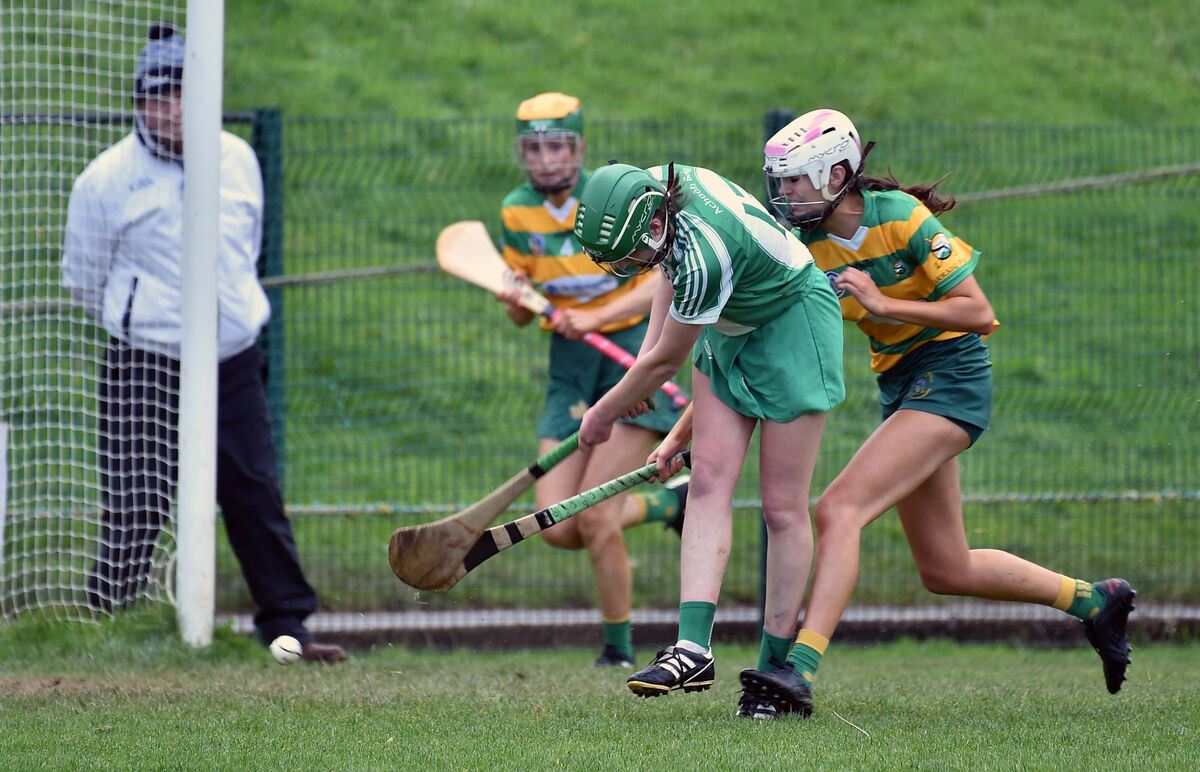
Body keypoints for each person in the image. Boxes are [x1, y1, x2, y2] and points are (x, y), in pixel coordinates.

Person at [739, 108, 1136, 717]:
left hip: (952, 375)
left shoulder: (899, 219)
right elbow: (757, 337)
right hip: (901, 385)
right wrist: (696, 428)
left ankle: (798, 672)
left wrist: (881, 301)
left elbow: (979, 313)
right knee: (946, 567)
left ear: (836, 173)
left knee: (837, 509)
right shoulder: (803, 248)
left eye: (793, 180)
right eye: (779, 181)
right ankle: (1095, 601)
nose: (782, 194)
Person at [60, 23, 346, 664]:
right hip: (146, 363)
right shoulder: (104, 181)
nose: (169, 110)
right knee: (137, 500)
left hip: (234, 362)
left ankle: (287, 630)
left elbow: (246, 249)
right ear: (138, 103)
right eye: (155, 97)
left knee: (255, 495)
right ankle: (109, 629)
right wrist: (150, 320)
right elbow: (83, 280)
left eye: (181, 94)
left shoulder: (238, 159)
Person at [574, 161, 846, 719]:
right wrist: (642, 364)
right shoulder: (653, 195)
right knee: (706, 483)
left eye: (626, 256)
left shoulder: (704, 251)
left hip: (792, 321)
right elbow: (664, 282)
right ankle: (692, 648)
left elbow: (670, 356)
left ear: (652, 223)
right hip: (730, 323)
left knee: (782, 508)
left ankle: (774, 676)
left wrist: (606, 411)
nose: (621, 266)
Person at [495, 93, 689, 668]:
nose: (546, 158)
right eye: (534, 147)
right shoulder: (516, 212)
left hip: (632, 353)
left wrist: (597, 318)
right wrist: (518, 299)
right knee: (555, 523)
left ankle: (619, 651)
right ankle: (664, 508)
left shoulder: (608, 199)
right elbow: (521, 312)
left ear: (578, 147)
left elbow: (656, 281)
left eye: (556, 145)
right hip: (570, 365)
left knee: (596, 514)